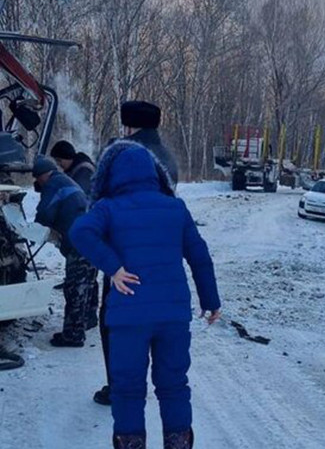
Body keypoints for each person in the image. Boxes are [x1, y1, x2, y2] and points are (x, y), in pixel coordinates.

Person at [70, 141, 221, 449]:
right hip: (173, 317)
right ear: (155, 173)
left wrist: (113, 268)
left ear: (112, 175)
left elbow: (79, 232)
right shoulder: (175, 207)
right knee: (174, 385)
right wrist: (211, 301)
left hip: (128, 317)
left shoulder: (108, 207)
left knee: (127, 389)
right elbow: (199, 256)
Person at [93, 100, 181, 406]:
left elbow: (102, 200)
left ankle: (121, 388)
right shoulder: (169, 157)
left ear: (129, 125)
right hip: (162, 256)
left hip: (124, 254)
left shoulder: (121, 153)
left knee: (115, 322)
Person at [33, 156, 98, 347]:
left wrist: (34, 228)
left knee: (75, 287)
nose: (38, 183)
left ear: (44, 174)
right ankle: (89, 318)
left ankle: (73, 335)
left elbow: (45, 214)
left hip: (79, 240)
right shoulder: (66, 180)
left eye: (38, 179)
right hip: (93, 235)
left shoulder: (54, 184)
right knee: (88, 282)